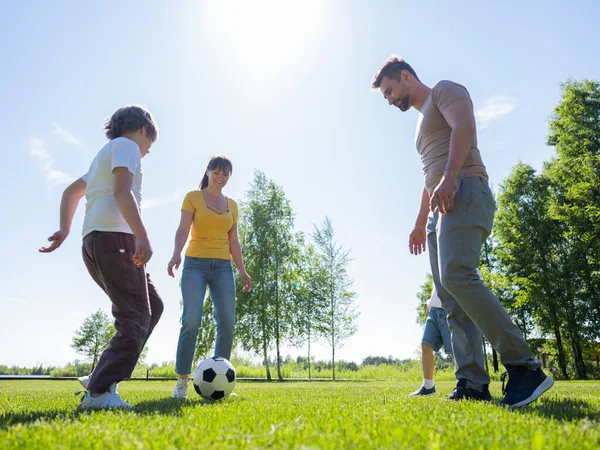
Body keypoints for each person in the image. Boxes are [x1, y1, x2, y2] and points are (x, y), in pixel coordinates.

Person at [371, 56, 553, 407]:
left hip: (466, 188)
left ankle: (525, 367)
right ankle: (471, 381)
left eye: (390, 91)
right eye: (385, 96)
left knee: (458, 274)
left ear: (407, 77)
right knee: (450, 298)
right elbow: (429, 177)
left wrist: (451, 178)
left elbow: (464, 127)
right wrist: (419, 221)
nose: (390, 100)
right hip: (440, 207)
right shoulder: (420, 125)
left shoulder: (445, 91)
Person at [40, 105, 163, 409]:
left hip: (95, 242)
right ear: (144, 130)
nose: (147, 152)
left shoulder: (103, 155)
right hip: (115, 239)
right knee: (135, 316)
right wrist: (142, 235)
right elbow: (123, 192)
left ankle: (102, 375)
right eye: (150, 145)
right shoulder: (128, 146)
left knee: (152, 306)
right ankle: (97, 393)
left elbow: (71, 192)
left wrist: (65, 229)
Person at [168, 155, 251, 399]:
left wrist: (242, 270)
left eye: (226, 174)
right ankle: (182, 380)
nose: (221, 177)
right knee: (191, 319)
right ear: (208, 171)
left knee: (227, 322)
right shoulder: (193, 197)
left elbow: (233, 241)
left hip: (223, 267)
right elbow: (183, 228)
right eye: (217, 171)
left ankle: (222, 382)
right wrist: (176, 254)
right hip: (195, 265)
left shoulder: (232, 205)